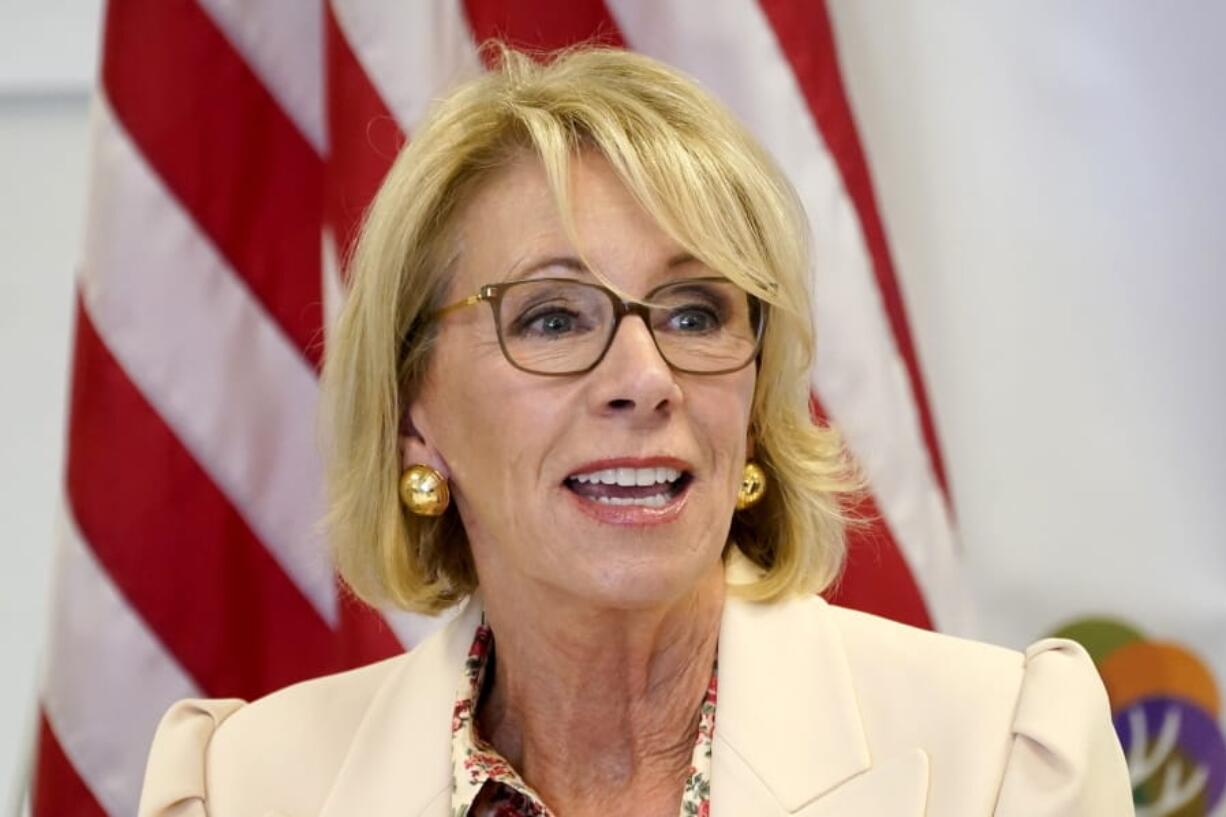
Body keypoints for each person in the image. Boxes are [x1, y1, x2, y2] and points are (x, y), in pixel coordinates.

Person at [137, 46, 1133, 817]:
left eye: (695, 313)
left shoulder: (999, 757)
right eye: (552, 317)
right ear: (413, 418)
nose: (644, 378)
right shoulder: (238, 787)